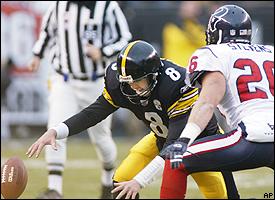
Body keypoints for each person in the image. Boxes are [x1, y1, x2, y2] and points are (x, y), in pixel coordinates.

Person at [27, 40, 240, 199]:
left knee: (219, 193)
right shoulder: (121, 83)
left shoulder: (175, 85)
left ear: (154, 76)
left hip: (198, 142)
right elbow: (94, 112)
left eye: (137, 81)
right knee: (121, 182)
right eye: (127, 82)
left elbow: (175, 144)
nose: (132, 87)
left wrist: (140, 181)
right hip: (161, 138)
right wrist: (57, 131)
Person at [160, 4, 274, 199]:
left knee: (175, 160)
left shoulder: (214, 53)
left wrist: (184, 140)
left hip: (253, 137)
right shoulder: (270, 51)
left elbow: (207, 103)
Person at [28, 1, 132, 198]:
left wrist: (103, 51)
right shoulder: (59, 5)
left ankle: (107, 178)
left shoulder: (107, 6)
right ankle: (54, 189)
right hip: (64, 79)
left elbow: (124, 38)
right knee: (55, 129)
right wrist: (37, 54)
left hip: (95, 81)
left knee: (101, 139)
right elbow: (47, 31)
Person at [162, 1, 206, 67]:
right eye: (185, 6)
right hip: (176, 68)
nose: (186, 8)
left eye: (192, 6)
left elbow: (204, 42)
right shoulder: (171, 28)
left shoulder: (199, 28)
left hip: (195, 68)